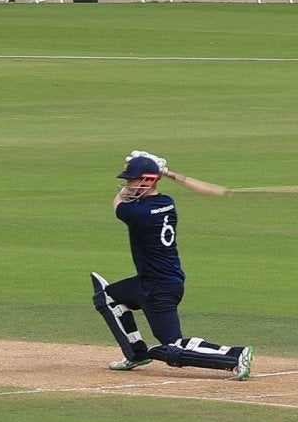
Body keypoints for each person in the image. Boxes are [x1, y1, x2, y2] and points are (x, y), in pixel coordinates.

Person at [92, 151, 252, 379]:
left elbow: (118, 203)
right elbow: (136, 196)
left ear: (147, 181)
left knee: (173, 345)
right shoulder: (167, 203)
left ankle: (235, 354)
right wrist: (162, 173)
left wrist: (152, 174)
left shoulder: (140, 213)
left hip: (159, 288)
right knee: (107, 297)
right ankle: (136, 354)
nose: (127, 185)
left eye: (131, 180)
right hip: (152, 282)